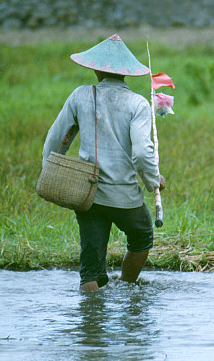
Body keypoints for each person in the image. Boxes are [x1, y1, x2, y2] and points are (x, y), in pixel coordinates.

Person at [42, 34, 166, 291]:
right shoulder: (138, 104)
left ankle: (90, 323)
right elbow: (142, 154)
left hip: (87, 196)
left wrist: (49, 171)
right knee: (142, 236)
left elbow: (56, 141)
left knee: (90, 268)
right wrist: (154, 181)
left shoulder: (80, 96)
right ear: (127, 74)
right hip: (126, 197)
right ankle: (127, 287)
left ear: (97, 70)